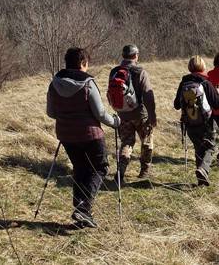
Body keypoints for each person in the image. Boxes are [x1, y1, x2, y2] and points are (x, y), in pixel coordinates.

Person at [46, 47, 120, 229]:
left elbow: (51, 112)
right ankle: (83, 208)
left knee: (80, 169)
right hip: (90, 134)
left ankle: (80, 209)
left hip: (66, 134)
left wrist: (67, 117)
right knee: (100, 168)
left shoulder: (55, 83)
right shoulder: (88, 83)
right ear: (82, 63)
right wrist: (115, 122)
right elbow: (100, 113)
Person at [112, 45, 157, 182]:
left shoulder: (114, 71)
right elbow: (148, 96)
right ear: (136, 55)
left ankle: (121, 170)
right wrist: (152, 115)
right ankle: (144, 171)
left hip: (123, 114)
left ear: (123, 55)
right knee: (147, 142)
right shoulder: (140, 71)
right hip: (141, 115)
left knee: (126, 143)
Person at [174, 56, 219, 186]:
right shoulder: (206, 82)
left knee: (198, 148)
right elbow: (217, 104)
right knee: (210, 146)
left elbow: (176, 105)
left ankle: (201, 179)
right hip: (206, 123)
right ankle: (203, 169)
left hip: (189, 122)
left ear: (190, 67)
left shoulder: (184, 83)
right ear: (203, 66)